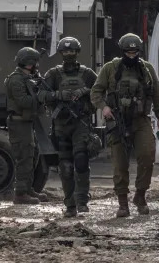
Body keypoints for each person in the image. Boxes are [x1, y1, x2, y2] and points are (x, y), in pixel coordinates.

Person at [91, 33, 159, 218]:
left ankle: (140, 196)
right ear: (123, 51)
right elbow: (96, 92)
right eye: (128, 52)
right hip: (117, 121)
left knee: (147, 156)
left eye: (134, 52)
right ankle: (123, 203)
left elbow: (158, 93)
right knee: (120, 164)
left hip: (140, 120)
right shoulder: (110, 68)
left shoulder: (146, 69)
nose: (131, 56)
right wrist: (104, 107)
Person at [38, 36, 98, 218]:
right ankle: (70, 204)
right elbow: (40, 95)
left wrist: (84, 91)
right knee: (65, 166)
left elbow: (100, 91)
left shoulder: (88, 74)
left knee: (81, 161)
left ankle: (82, 201)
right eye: (65, 51)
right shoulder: (53, 74)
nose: (69, 55)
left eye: (72, 51)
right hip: (61, 125)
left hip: (81, 123)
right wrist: (59, 95)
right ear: (61, 53)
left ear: (77, 52)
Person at [5, 47, 50, 205]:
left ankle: (28, 188)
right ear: (30, 64)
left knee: (33, 154)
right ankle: (20, 194)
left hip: (27, 122)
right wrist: (39, 96)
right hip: (18, 123)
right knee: (24, 156)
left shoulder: (27, 77)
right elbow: (23, 101)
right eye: (35, 62)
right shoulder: (16, 80)